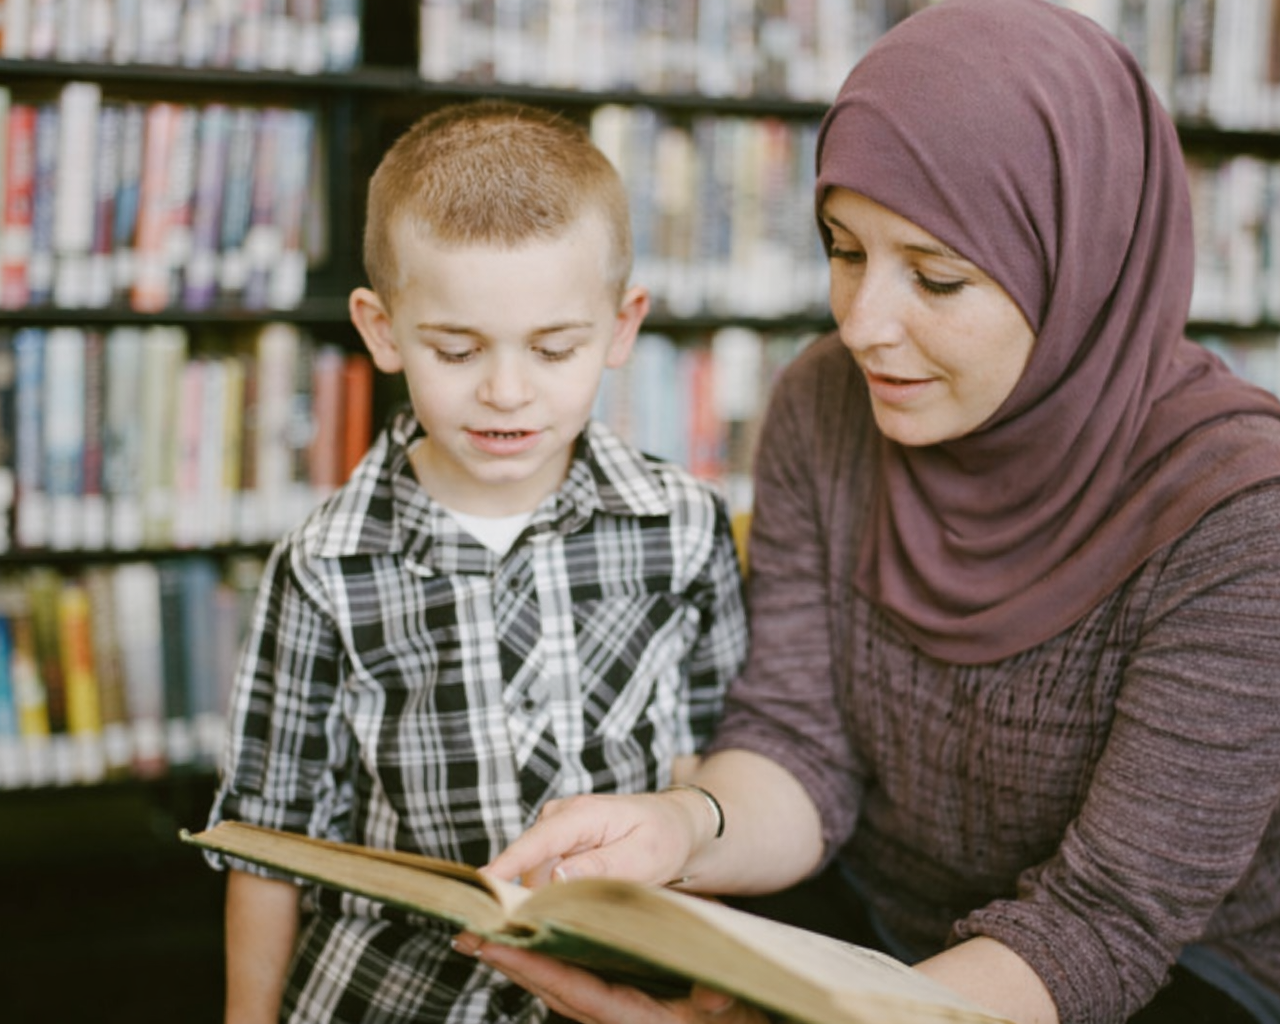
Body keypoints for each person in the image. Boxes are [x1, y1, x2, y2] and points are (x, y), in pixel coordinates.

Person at [471, 3, 1280, 1023]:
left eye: (935, 277)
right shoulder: (823, 401)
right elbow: (797, 745)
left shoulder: (1239, 514)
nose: (859, 325)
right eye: (843, 250)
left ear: (1080, 267)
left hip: (1168, 977)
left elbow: (1104, 924)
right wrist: (679, 825)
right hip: (869, 923)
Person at [204, 99, 749, 1024]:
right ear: (381, 331)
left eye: (553, 348)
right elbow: (268, 840)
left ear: (622, 327)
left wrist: (713, 999)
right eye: (456, 350)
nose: (505, 391)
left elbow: (717, 777)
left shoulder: (686, 527)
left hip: (624, 987)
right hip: (392, 993)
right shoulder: (325, 565)